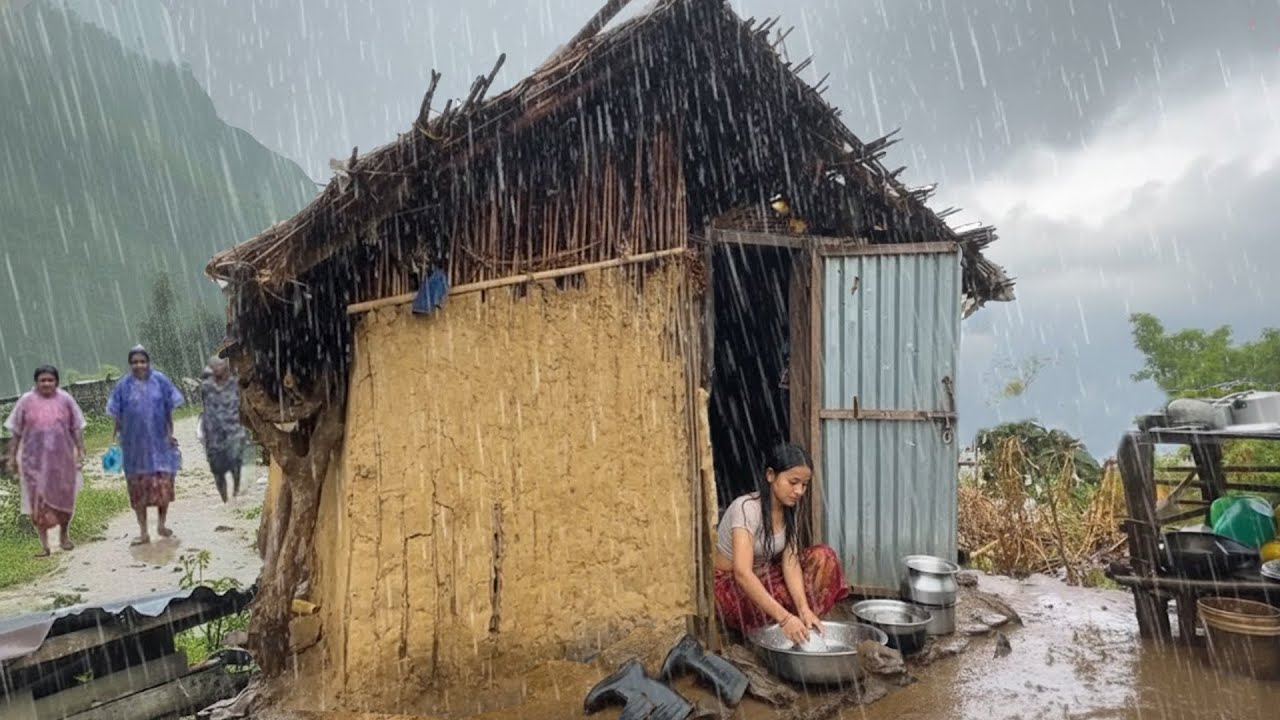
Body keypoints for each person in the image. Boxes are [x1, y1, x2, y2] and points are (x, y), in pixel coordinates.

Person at [713, 442, 850, 645]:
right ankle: (780, 626)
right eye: (793, 482)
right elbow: (742, 573)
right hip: (731, 587)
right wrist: (785, 617)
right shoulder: (745, 508)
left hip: (765, 579)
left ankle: (801, 622)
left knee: (824, 557)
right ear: (770, 475)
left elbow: (791, 562)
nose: (799, 491)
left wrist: (803, 607)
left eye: (804, 485)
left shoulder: (789, 510)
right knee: (779, 598)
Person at [3, 366, 86, 557]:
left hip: (62, 458)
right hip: (33, 461)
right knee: (37, 504)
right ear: (36, 382)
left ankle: (64, 536)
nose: (46, 383)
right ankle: (45, 545)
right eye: (43, 380)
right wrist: (11, 455)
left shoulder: (65, 400)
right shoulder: (26, 402)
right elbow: (16, 431)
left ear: (56, 381)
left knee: (65, 500)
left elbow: (76, 427)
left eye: (50, 380)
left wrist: (79, 449)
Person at [106, 345, 184, 545]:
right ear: (130, 364)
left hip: (159, 444)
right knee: (137, 490)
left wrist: (169, 435)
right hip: (133, 448)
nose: (139, 365)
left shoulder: (160, 381)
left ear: (148, 362)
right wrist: (114, 440)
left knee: (163, 487)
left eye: (142, 361)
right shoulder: (123, 386)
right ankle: (143, 531)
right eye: (135, 362)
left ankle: (161, 524)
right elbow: (117, 415)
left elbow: (168, 410)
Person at [200, 355, 244, 502]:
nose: (217, 369)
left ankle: (236, 492)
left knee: (235, 462)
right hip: (213, 434)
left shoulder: (236, 384)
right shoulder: (206, 387)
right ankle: (224, 499)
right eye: (214, 366)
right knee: (217, 470)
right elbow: (206, 408)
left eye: (220, 365)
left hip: (234, 430)